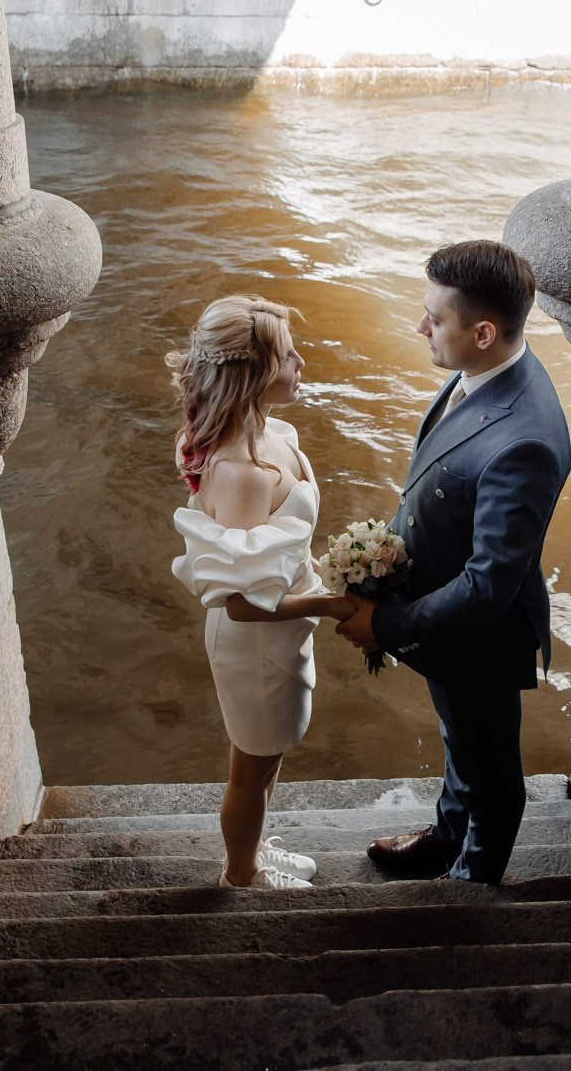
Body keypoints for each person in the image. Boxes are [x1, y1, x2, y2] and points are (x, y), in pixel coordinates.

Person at [335, 241, 571, 885]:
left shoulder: (523, 443)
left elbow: (488, 585)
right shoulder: (492, 370)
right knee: (460, 739)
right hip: (445, 618)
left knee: (489, 768)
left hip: (478, 638)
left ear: (484, 333)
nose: (421, 326)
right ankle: (445, 838)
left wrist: (385, 625)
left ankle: (472, 884)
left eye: (435, 319)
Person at [169, 295, 356, 889]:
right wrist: (332, 604)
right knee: (250, 770)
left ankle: (251, 847)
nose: (301, 363)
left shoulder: (274, 432)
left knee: (267, 756)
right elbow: (242, 603)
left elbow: (279, 548)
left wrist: (332, 569)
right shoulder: (243, 473)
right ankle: (241, 874)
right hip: (256, 647)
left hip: (284, 630)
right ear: (252, 374)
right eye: (287, 356)